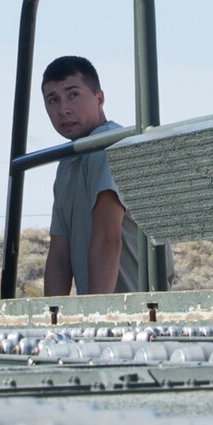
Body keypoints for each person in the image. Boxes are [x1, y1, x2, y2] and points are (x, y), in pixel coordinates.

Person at [40, 55, 166, 295]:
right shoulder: (68, 161)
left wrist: (99, 317)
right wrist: (51, 322)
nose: (63, 109)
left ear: (99, 98)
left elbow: (108, 238)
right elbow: (59, 253)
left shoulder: (109, 146)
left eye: (73, 94)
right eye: (52, 100)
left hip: (133, 313)